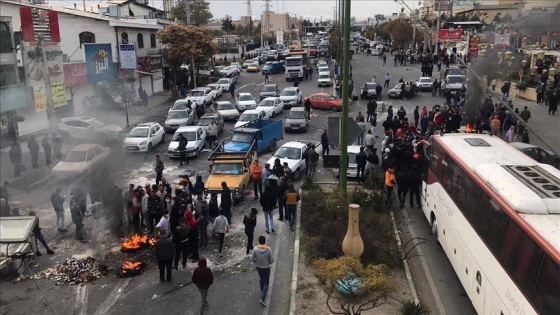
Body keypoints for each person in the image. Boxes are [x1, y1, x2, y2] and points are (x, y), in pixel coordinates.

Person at [252, 236, 275, 307]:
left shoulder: (255, 249)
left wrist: (258, 261)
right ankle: (263, 298)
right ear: (264, 241)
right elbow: (272, 260)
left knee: (261, 279)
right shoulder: (268, 249)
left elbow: (252, 259)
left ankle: (262, 291)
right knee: (266, 283)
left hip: (259, 267)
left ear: (259, 241)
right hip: (266, 268)